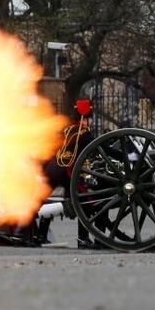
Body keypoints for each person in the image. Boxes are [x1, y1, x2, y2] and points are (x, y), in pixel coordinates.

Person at [38, 98, 101, 249]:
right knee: (84, 201)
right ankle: (82, 239)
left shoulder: (65, 130)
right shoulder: (85, 133)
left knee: (44, 202)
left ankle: (39, 235)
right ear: (85, 118)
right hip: (68, 171)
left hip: (52, 168)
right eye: (89, 118)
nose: (90, 122)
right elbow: (98, 149)